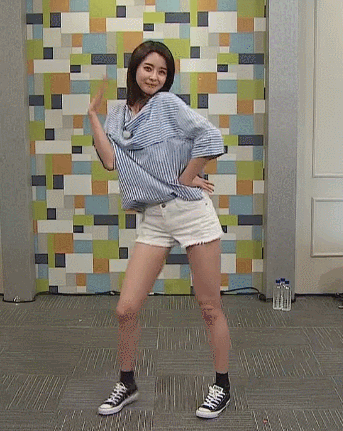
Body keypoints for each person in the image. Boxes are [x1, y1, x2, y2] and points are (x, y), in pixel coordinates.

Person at [88, 40, 231, 419]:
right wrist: (92, 116)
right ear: (135, 69)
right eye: (148, 68)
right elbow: (110, 160)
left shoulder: (167, 105)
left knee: (209, 307)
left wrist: (186, 175)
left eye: (162, 72)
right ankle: (127, 382)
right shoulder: (119, 115)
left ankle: (222, 385)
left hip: (191, 213)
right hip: (154, 216)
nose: (154, 77)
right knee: (126, 308)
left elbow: (211, 138)